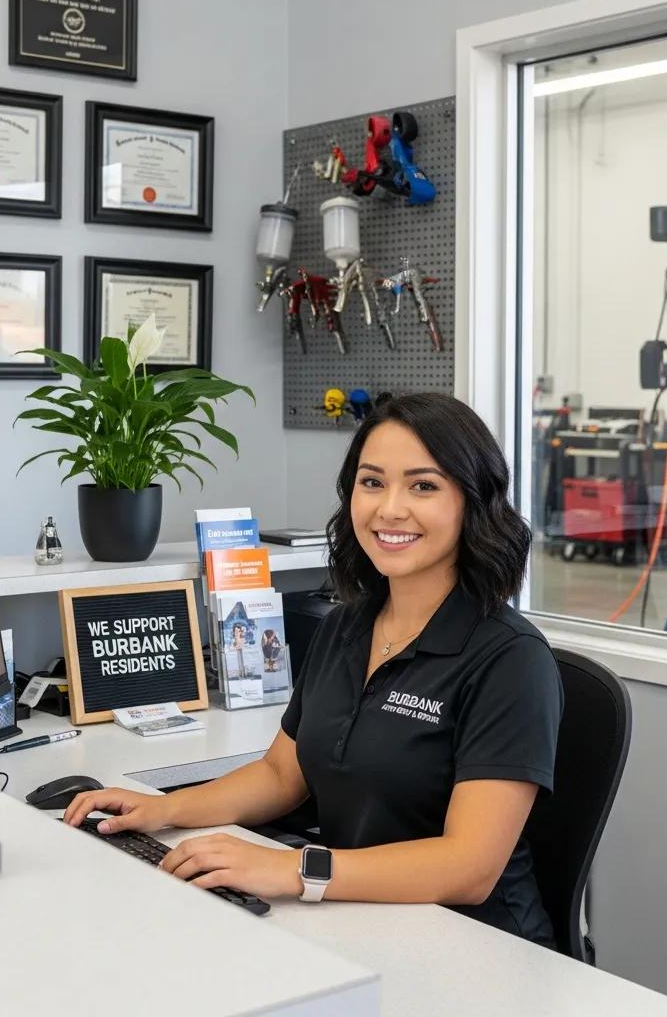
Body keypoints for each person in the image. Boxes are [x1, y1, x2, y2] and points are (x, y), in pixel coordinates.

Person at [65, 393, 563, 946]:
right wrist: (163, 809)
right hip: (360, 921)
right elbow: (282, 774)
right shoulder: (346, 627)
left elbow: (469, 868)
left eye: (423, 486)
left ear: (472, 502)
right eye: (372, 482)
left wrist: (293, 869)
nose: (390, 508)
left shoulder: (511, 659)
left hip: (481, 949)